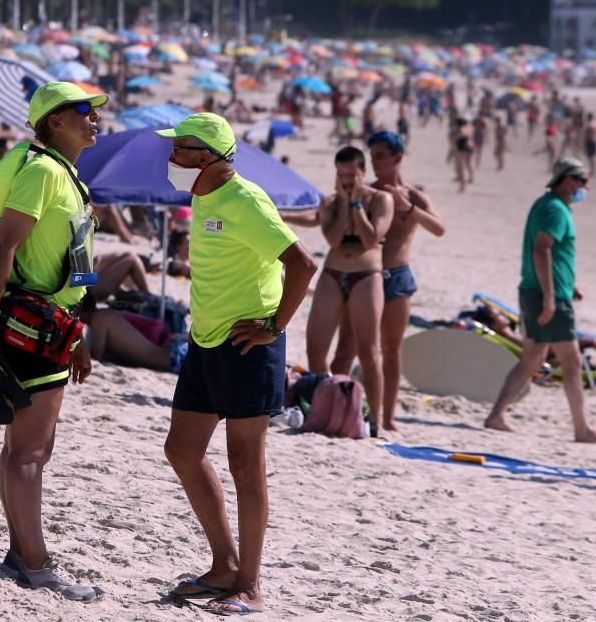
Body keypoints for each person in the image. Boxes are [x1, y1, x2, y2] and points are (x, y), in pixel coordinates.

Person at [156, 113, 316, 615]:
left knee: (246, 465)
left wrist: (274, 326)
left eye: (180, 148)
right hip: (206, 343)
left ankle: (249, 584)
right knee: (182, 450)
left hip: (250, 346)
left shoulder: (245, 199)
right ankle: (223, 563)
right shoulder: (202, 195)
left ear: (207, 157)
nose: (171, 157)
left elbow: (302, 264)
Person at [0, 82, 109, 600]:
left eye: (94, 111)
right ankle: (37, 563)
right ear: (54, 121)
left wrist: (78, 337)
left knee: (25, 448)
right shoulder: (45, 170)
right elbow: (7, 244)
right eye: (83, 111)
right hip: (28, 324)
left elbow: (71, 264)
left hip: (53, 323)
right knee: (29, 450)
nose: (94, 118)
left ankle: (19, 552)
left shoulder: (63, 173)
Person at [485, 158, 596, 443]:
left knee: (533, 357)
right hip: (546, 296)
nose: (586, 187)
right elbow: (541, 250)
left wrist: (569, 283)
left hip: (538, 290)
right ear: (568, 180)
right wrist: (551, 298)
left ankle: (496, 415)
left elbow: (551, 253)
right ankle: (583, 429)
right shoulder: (555, 209)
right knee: (572, 361)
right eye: (582, 181)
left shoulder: (546, 204)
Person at [331, 131, 445, 432]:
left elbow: (438, 228)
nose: (375, 161)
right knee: (349, 347)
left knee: (391, 348)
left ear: (398, 157)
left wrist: (407, 206)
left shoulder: (414, 196)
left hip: (396, 275)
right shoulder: (367, 193)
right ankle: (334, 404)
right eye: (372, 156)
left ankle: (386, 416)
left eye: (380, 155)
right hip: (364, 274)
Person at [305, 146, 393, 435]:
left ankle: (376, 419)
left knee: (368, 351)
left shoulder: (380, 199)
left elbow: (370, 239)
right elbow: (333, 239)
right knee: (316, 348)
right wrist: (344, 204)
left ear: (362, 172)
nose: (345, 179)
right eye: (340, 173)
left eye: (351, 174)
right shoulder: (330, 202)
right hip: (333, 273)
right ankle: (328, 403)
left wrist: (357, 204)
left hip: (367, 275)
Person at [583, 112, 596, 177]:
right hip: (593, 140)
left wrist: (584, 142)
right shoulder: (594, 123)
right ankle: (592, 170)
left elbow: (588, 135)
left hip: (590, 141)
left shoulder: (589, 125)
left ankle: (592, 170)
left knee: (590, 157)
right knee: (591, 157)